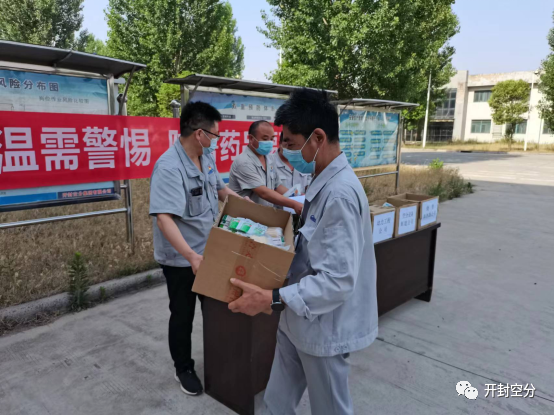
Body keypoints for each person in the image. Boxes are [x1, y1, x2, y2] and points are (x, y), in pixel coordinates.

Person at [227, 89, 379, 415]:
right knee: (276, 404)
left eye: (291, 144)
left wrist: (270, 298)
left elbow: (337, 280)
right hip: (296, 319)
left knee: (330, 409)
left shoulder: (339, 194)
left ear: (318, 138)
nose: (284, 151)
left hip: (323, 328)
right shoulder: (321, 179)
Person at [149, 101, 244, 397]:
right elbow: (164, 219)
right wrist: (191, 256)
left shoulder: (206, 155)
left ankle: (219, 358)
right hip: (181, 258)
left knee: (215, 308)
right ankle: (184, 368)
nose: (217, 140)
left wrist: (245, 206)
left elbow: (220, 189)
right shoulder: (169, 167)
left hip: (208, 250)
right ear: (199, 133)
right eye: (214, 135)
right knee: (183, 314)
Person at [229, 120, 303, 215]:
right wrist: (293, 204)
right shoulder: (243, 162)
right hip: (244, 217)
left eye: (271, 139)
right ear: (251, 138)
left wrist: (298, 196)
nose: (269, 142)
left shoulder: (269, 158)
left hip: (264, 215)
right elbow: (263, 192)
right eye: (265, 139)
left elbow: (277, 186)